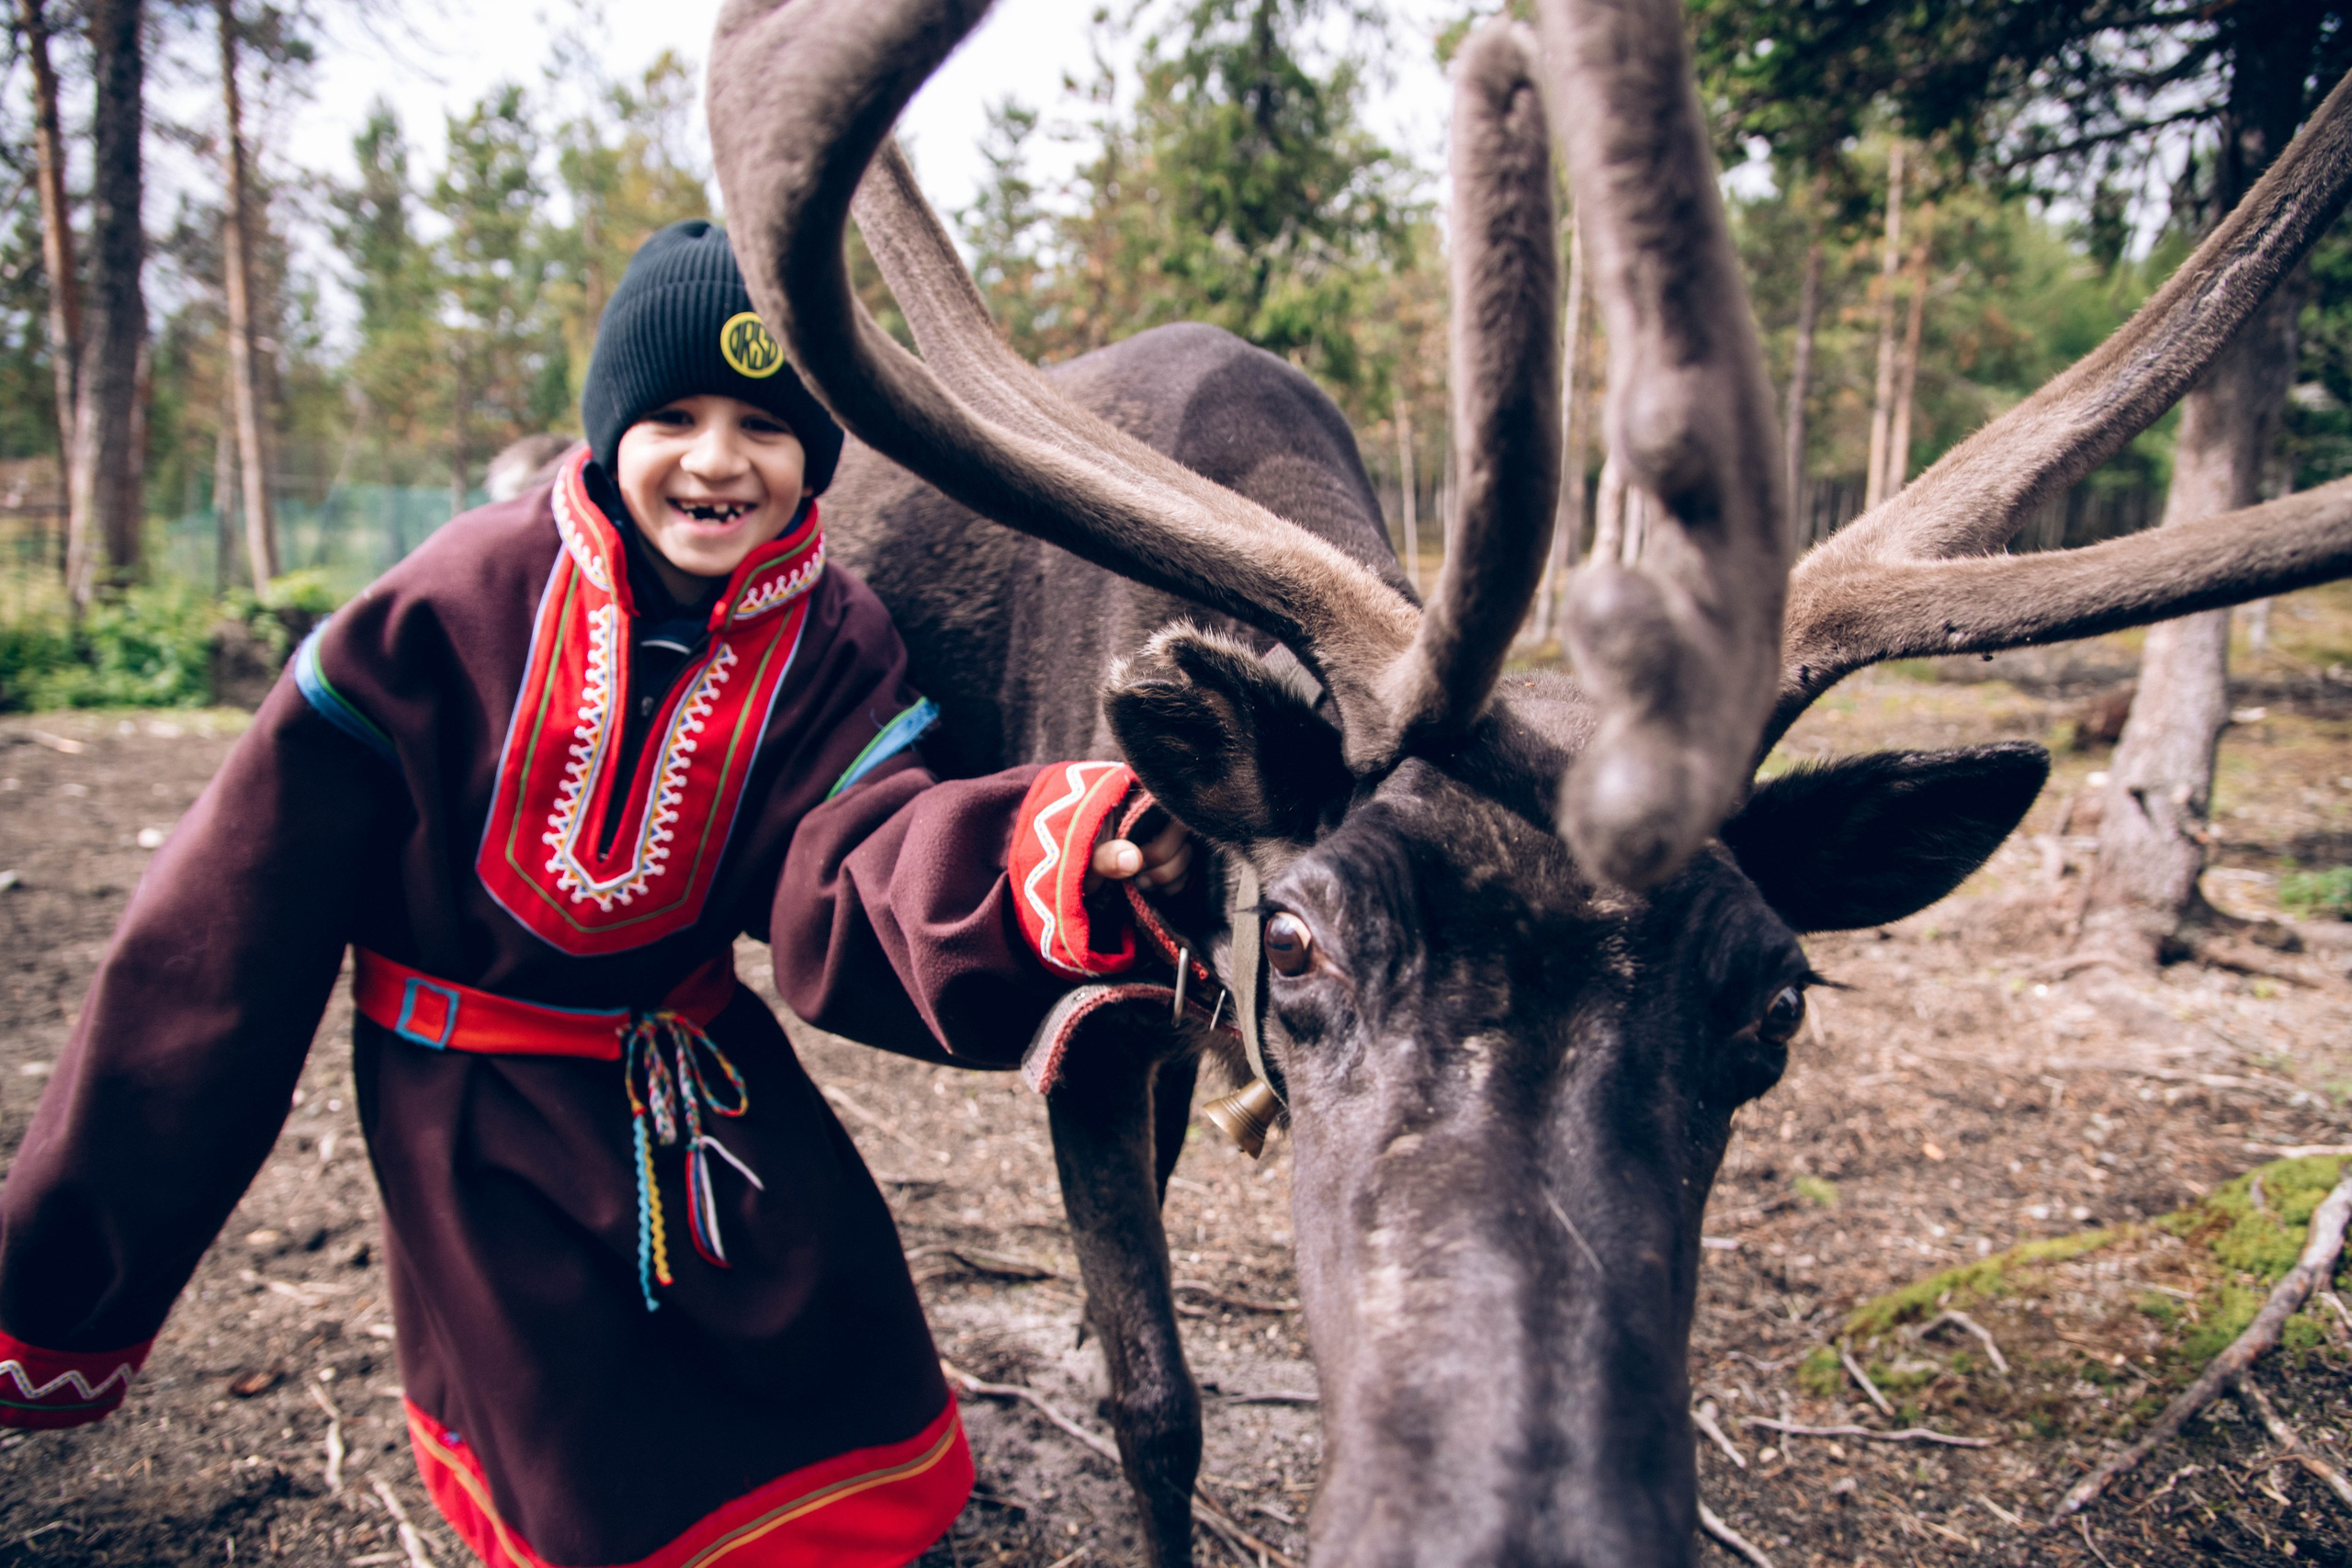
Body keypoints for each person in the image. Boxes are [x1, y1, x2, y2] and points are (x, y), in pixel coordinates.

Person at [0, 220, 1188, 1568]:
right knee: (575, 1419)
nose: (717, 457)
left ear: (819, 453)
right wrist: (69, 1273)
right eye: (672, 413)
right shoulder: (441, 613)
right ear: (608, 425)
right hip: (474, 1109)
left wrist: (1030, 851)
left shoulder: (833, 636)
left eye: (765, 421)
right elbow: (211, 955)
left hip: (698, 1078)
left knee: (820, 1317)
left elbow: (854, 861)